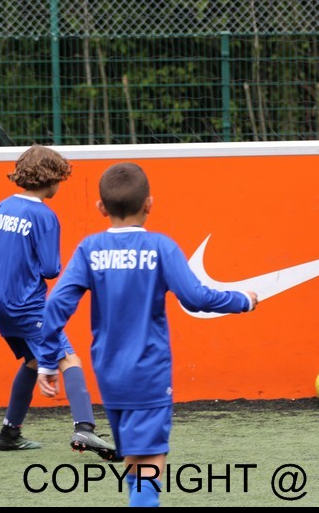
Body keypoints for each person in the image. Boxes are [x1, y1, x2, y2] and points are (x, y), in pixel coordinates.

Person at [35, 162, 259, 507]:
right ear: (149, 204)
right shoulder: (160, 247)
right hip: (149, 376)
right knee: (149, 462)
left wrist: (48, 361)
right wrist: (242, 300)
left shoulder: (89, 249)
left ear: (101, 207)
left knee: (134, 461)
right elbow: (196, 297)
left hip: (109, 375)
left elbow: (55, 307)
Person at [0, 145, 117, 459]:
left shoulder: (3, 206)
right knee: (69, 359)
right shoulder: (45, 215)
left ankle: (9, 433)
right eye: (60, 178)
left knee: (33, 360)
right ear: (51, 179)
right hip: (26, 304)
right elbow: (50, 269)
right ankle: (84, 428)